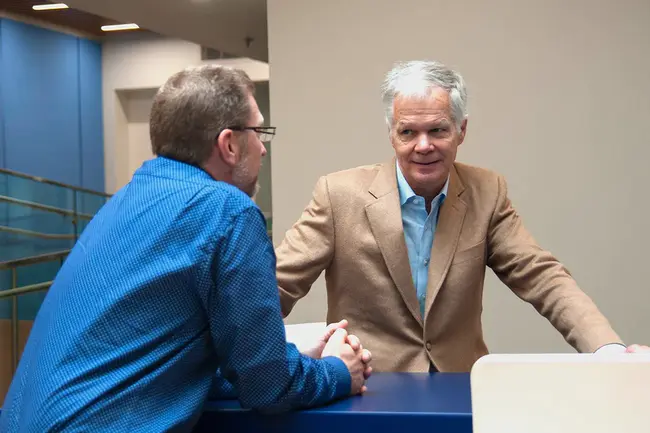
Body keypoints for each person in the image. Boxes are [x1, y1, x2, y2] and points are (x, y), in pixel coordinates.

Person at [0, 65, 371, 432]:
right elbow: (268, 388)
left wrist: (288, 359)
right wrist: (339, 371)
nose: (262, 148)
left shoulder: (128, 199)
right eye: (258, 132)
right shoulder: (228, 211)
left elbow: (166, 362)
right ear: (228, 144)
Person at [274, 60, 649, 373]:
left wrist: (608, 352)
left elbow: (542, 276)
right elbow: (276, 285)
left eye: (437, 130)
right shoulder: (338, 195)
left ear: (461, 130)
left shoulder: (487, 192)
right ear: (392, 134)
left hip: (460, 394)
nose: (424, 146)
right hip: (368, 388)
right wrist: (231, 354)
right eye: (409, 132)